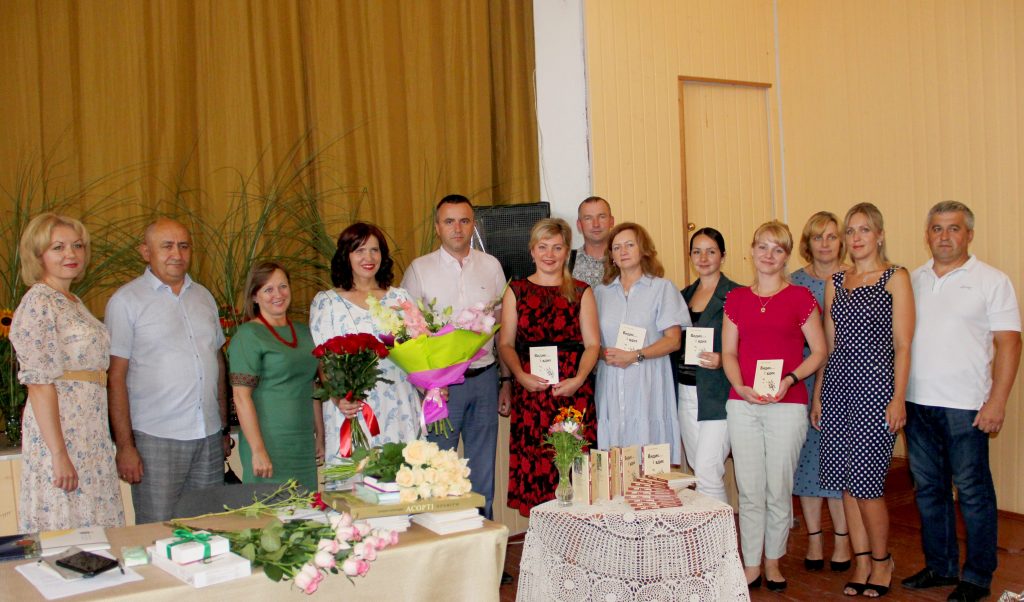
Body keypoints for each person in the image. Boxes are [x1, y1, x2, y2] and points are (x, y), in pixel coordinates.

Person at [901, 201, 1020, 602]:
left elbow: (1010, 344)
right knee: (928, 491)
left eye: (953, 228)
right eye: (937, 228)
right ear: (927, 235)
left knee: (972, 493)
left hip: (966, 408)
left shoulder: (992, 281)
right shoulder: (912, 280)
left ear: (969, 234)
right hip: (917, 404)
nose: (945, 236)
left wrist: (997, 402)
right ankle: (941, 567)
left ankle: (978, 577)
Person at [814, 203, 914, 598]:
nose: (856, 238)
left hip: (876, 390)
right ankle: (861, 562)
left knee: (867, 484)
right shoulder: (836, 281)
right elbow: (828, 346)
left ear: (880, 235)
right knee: (845, 484)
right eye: (851, 231)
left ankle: (882, 560)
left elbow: (903, 345)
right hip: (838, 388)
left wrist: (898, 398)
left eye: (865, 229)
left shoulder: (895, 277)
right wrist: (819, 396)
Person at [721, 220, 826, 591]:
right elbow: (729, 352)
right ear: (751, 251)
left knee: (778, 488)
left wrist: (790, 380)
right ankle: (751, 563)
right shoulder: (736, 299)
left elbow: (819, 351)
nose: (769, 255)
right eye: (763, 246)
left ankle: (773, 561)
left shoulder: (800, 298)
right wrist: (739, 385)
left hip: (787, 404)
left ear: (786, 257)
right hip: (743, 404)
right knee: (749, 490)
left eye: (777, 249)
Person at [106, 218, 231, 524]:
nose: (177, 253)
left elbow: (217, 362)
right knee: (157, 529)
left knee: (209, 527)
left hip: (208, 436)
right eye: (167, 246)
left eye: (184, 246)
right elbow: (115, 378)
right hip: (155, 440)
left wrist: (223, 428)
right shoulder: (125, 301)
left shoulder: (204, 297)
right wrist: (125, 447)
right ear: (145, 252)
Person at [9, 213, 124, 531]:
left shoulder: (72, 300)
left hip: (90, 429)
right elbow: (39, 384)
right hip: (61, 430)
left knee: (97, 521)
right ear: (38, 255)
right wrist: (58, 453)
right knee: (65, 521)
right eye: (58, 247)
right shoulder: (39, 302)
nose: (71, 254)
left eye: (77, 245)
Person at [402, 195, 511, 519]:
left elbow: (501, 328)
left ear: (473, 224)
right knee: (440, 473)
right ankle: (445, 544)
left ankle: (484, 544)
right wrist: (428, 384)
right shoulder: (419, 269)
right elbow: (408, 330)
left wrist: (505, 380)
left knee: (482, 474)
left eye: (464, 220)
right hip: (442, 389)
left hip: (484, 379)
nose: (457, 228)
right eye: (449, 221)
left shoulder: (491, 266)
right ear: (437, 227)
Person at [497, 218, 600, 516]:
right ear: (532, 251)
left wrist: (579, 379)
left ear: (567, 251)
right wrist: (519, 375)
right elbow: (506, 344)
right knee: (537, 466)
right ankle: (543, 540)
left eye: (557, 247)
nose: (549, 254)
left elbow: (593, 344)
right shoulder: (515, 290)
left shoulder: (581, 291)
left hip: (571, 393)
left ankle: (579, 540)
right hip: (531, 392)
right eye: (543, 247)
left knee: (573, 468)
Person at [310, 223, 421, 469]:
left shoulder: (400, 298)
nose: (368, 258)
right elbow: (324, 362)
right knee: (355, 479)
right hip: (352, 407)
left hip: (399, 403)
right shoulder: (327, 303)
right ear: (346, 256)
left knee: (402, 477)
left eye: (374, 250)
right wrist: (338, 398)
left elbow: (420, 351)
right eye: (359, 250)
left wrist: (435, 386)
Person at [594, 222, 688, 463]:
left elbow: (673, 341)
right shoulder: (600, 293)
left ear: (643, 249)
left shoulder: (662, 288)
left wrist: (635, 355)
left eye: (629, 245)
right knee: (615, 460)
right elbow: (593, 342)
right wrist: (603, 353)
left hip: (649, 379)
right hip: (611, 380)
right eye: (617, 247)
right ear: (611, 256)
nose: (623, 251)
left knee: (649, 457)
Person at [790, 212, 852, 573]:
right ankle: (814, 539)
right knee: (807, 463)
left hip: (844, 379)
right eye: (817, 237)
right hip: (803, 377)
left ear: (841, 241)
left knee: (840, 462)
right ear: (807, 243)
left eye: (831, 236)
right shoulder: (794, 283)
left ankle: (842, 540)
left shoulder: (854, 277)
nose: (825, 244)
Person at [228, 262, 322, 492]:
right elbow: (241, 397)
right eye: (268, 289)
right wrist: (258, 450)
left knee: (306, 509)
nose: (278, 294)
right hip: (268, 444)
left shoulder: (305, 333)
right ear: (255, 296)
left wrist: (320, 434)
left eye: (283, 286)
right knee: (269, 510)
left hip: (302, 444)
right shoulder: (248, 335)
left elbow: (312, 386)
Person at [676, 227, 740, 504]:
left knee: (707, 470)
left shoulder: (737, 295)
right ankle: (707, 530)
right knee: (697, 467)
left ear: (722, 256)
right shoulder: (681, 296)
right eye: (697, 252)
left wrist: (724, 358)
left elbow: (753, 344)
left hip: (718, 392)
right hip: (686, 391)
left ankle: (720, 532)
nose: (703, 258)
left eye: (711, 251)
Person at [570, 196, 615, 288]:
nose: (596, 224)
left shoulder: (625, 259)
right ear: (579, 225)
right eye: (588, 218)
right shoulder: (566, 262)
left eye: (602, 217)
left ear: (611, 221)